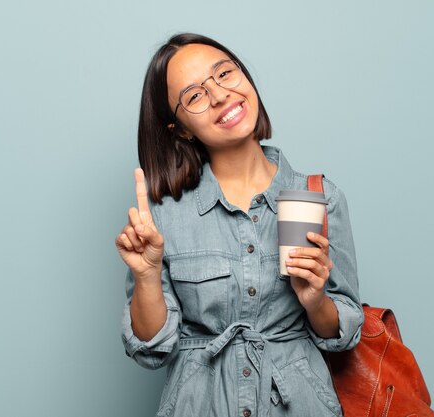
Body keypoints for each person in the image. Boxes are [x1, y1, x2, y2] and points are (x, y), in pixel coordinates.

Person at [115, 33, 363, 417]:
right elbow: (151, 351)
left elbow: (344, 333)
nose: (219, 96)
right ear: (179, 129)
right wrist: (147, 276)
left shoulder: (318, 197)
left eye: (225, 74)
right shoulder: (162, 216)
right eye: (195, 95)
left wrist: (316, 302)